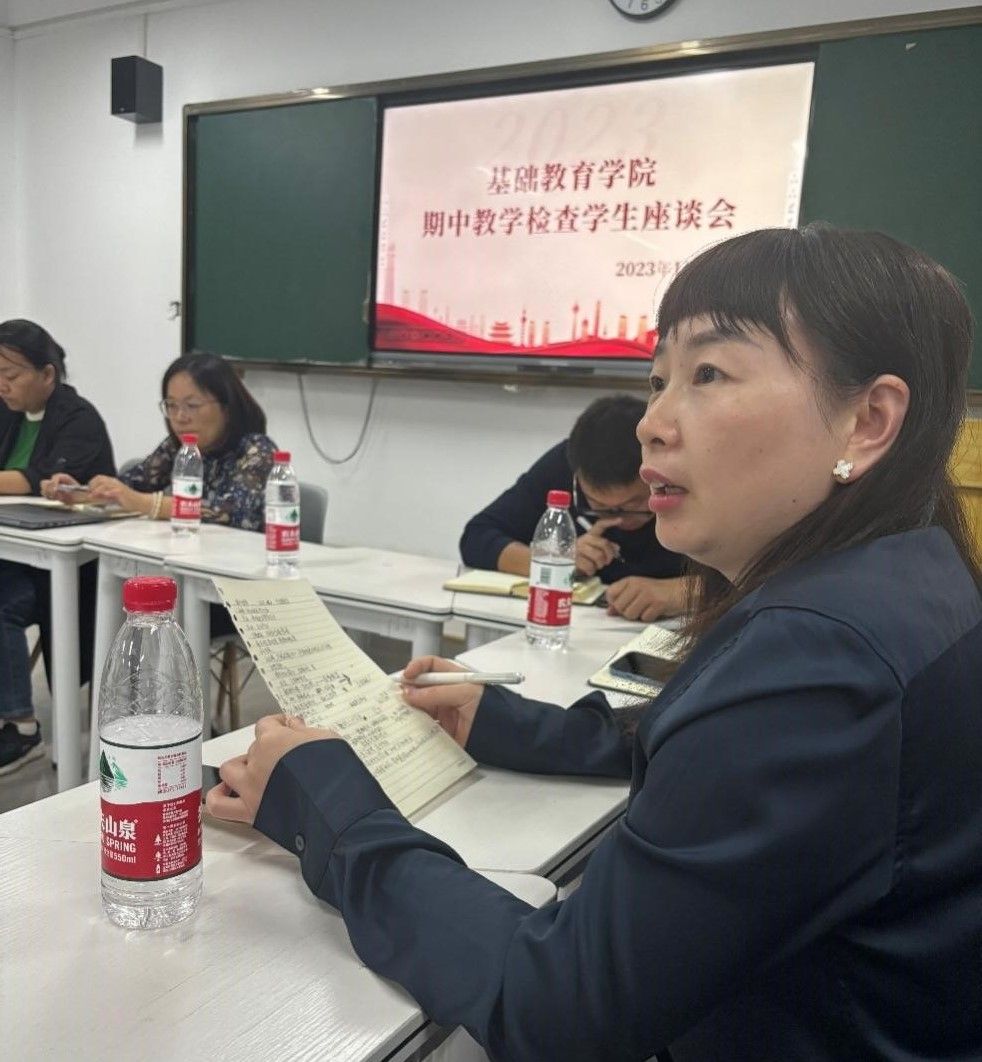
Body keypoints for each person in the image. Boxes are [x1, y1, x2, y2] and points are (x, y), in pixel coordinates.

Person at [207, 225, 982, 1060]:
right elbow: (714, 748)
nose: (652, 423)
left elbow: (558, 1008)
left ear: (867, 420)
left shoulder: (819, 661)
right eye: (657, 380)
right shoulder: (909, 579)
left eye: (709, 374)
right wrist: (502, 721)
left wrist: (326, 804)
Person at [0, 319, 115, 775]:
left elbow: (40, 480)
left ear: (47, 374)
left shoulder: (77, 418)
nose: (2, 386)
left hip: (71, 570)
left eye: (10, 375)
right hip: (17, 554)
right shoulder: (7, 411)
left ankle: (21, 727)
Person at [459, 394, 686, 621]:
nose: (619, 520)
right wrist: (555, 560)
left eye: (634, 505)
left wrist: (678, 593)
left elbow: (711, 573)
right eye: (600, 507)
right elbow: (476, 537)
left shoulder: (687, 474)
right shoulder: (564, 465)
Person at [46, 351, 276, 530]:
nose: (180, 417)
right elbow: (128, 487)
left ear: (227, 407)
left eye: (192, 405)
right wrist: (79, 492)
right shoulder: (176, 447)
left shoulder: (257, 451)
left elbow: (229, 513)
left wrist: (143, 502)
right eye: (171, 405)